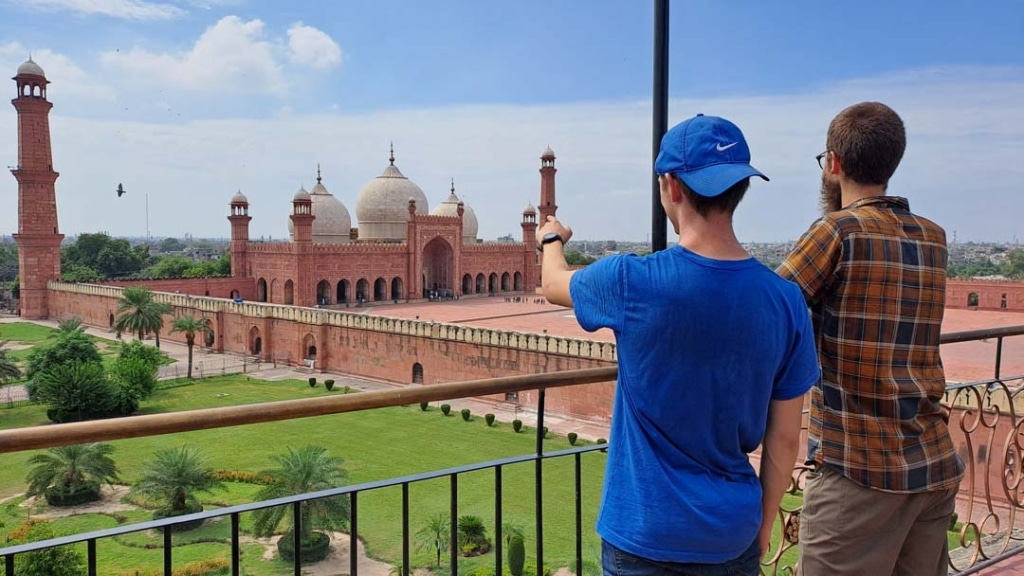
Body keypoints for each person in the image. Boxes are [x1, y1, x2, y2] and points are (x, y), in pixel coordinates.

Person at [537, 114, 820, 575]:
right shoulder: (786, 301)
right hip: (732, 533)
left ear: (670, 186)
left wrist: (551, 238)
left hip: (646, 533)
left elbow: (553, 284)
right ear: (740, 189)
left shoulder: (633, 281)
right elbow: (786, 437)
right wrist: (764, 523)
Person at [777, 102, 964, 576]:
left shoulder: (837, 232)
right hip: (931, 464)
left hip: (858, 471)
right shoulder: (934, 237)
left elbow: (771, 311)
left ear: (834, 164)